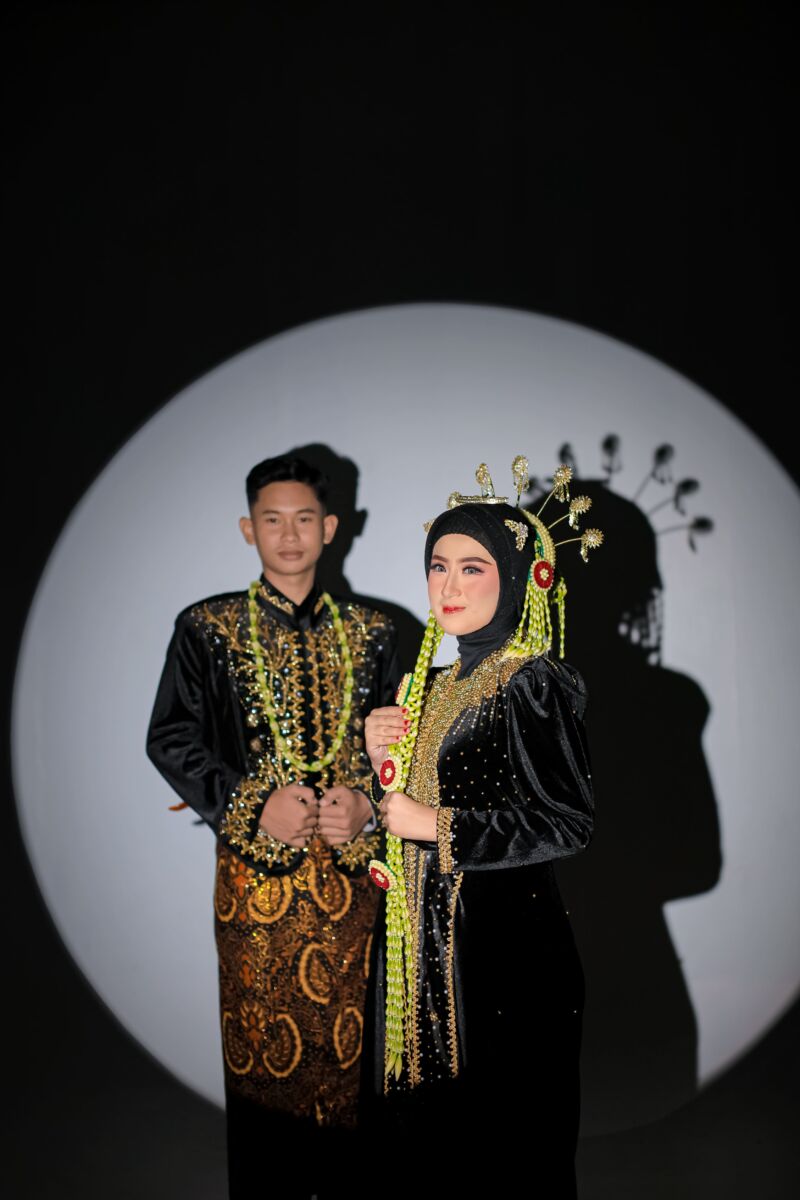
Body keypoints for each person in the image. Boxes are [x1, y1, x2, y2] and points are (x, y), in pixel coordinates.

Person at [146, 455, 399, 1199]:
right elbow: (171, 737)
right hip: (258, 886)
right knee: (262, 1054)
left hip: (354, 884)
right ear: (247, 528)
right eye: (272, 519)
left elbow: (409, 747)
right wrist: (252, 803)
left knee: (357, 1052)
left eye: (303, 519)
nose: (288, 535)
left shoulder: (377, 632)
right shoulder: (207, 627)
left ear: (331, 527)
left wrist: (367, 803)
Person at [363, 459, 599, 1197]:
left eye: (473, 567)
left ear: (520, 577)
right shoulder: (431, 684)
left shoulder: (532, 681)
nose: (449, 586)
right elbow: (402, 814)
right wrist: (379, 758)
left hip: (503, 960)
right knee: (427, 1147)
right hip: (420, 951)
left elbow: (567, 821)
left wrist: (437, 825)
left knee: (504, 1149)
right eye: (438, 566)